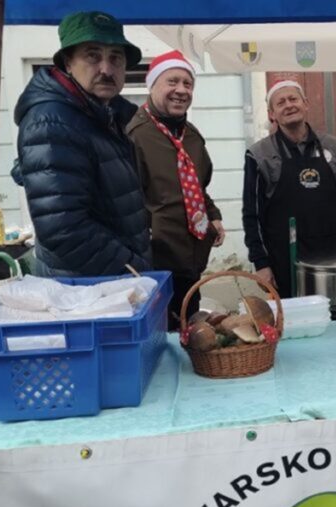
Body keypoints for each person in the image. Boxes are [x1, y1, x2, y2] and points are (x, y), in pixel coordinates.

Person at [12, 11, 150, 277]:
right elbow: (63, 229)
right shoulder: (52, 121)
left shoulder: (104, 115)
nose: (106, 69)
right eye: (93, 56)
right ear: (68, 63)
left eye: (115, 58)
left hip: (109, 279)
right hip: (87, 287)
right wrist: (134, 269)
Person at [127, 50, 225, 328]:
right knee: (163, 335)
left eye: (187, 83)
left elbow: (198, 186)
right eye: (172, 81)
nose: (181, 90)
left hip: (192, 260)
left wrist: (213, 215)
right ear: (152, 85)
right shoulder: (135, 135)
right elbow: (126, 201)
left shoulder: (191, 136)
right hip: (155, 266)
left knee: (190, 330)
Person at [242, 80, 336, 295]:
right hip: (285, 261)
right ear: (272, 114)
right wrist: (261, 262)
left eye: (293, 99)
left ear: (306, 104)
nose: (289, 105)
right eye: (281, 103)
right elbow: (252, 214)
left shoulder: (333, 147)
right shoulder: (260, 155)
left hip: (333, 257)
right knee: (292, 314)